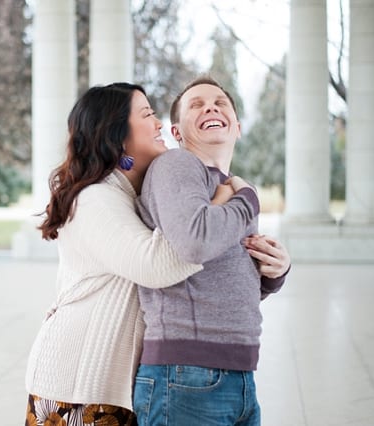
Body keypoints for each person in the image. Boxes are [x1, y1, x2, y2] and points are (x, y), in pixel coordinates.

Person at [24, 82, 237, 425]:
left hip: (108, 387)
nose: (158, 124)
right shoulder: (95, 199)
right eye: (147, 114)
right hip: (78, 387)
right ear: (118, 135)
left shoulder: (131, 194)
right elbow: (158, 264)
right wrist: (221, 205)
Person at [132, 76, 291, 426]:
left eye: (220, 102)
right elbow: (196, 242)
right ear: (177, 133)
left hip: (235, 373)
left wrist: (273, 273)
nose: (210, 107)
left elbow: (220, 279)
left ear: (237, 127)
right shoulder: (179, 166)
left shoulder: (228, 187)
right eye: (196, 104)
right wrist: (248, 200)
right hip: (185, 375)